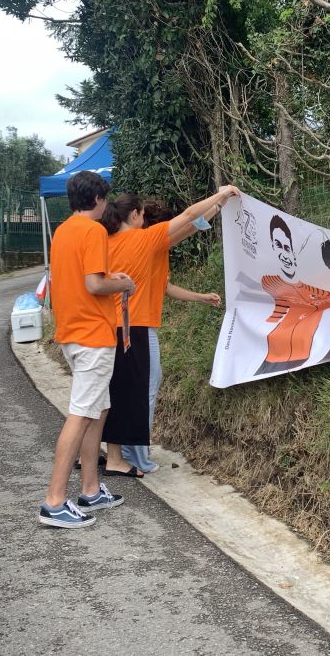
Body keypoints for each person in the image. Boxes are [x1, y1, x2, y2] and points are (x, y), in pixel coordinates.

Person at [100, 188, 238, 475]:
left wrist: (219, 205)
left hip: (110, 325)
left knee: (118, 390)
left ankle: (108, 451)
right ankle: (135, 454)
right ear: (136, 216)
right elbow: (189, 218)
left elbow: (189, 227)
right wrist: (220, 195)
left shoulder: (112, 242)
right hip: (135, 326)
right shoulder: (146, 240)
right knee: (144, 389)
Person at [39, 171, 134, 529]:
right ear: (97, 199)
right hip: (93, 335)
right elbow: (95, 284)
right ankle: (54, 501)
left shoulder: (63, 230)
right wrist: (123, 284)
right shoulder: (93, 231)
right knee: (81, 413)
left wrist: (112, 280)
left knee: (98, 408)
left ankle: (90, 489)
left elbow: (81, 281)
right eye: (105, 198)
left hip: (71, 332)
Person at [254, 215, 330, 375]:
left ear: (293, 253)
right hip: (269, 359)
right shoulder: (268, 281)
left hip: (305, 359)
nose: (284, 253)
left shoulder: (315, 289)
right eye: (278, 245)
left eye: (287, 248)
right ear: (271, 248)